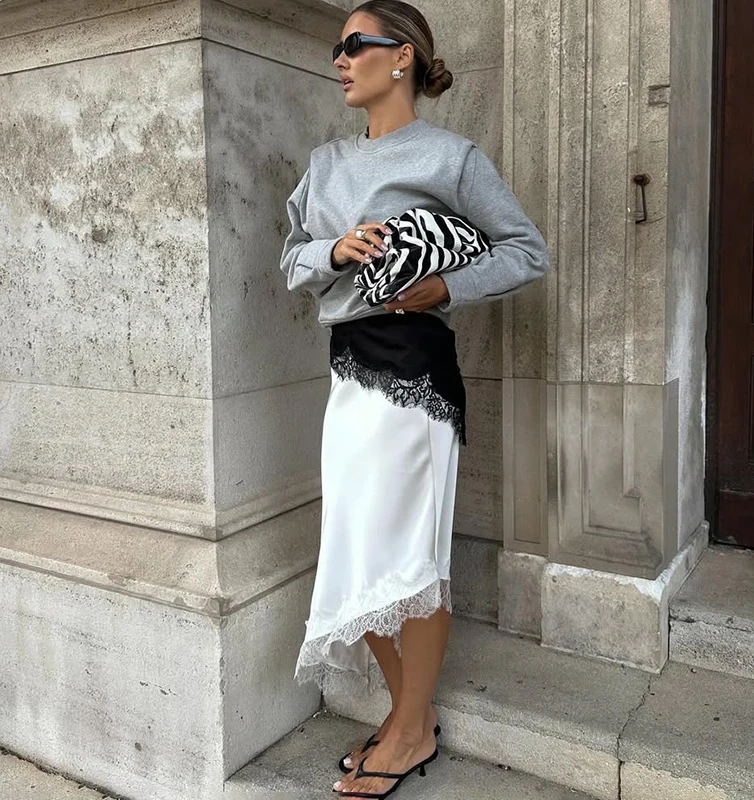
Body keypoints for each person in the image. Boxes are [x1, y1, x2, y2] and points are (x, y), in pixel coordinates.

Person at [279, 2, 550, 796]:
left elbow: (526, 250)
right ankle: (412, 718)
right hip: (348, 373)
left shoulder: (450, 157)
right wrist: (334, 249)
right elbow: (292, 261)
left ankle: (406, 729)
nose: (339, 59)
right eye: (337, 47)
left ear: (401, 57)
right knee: (358, 550)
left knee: (410, 557)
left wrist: (446, 287)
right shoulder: (326, 163)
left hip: (416, 374)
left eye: (354, 45)